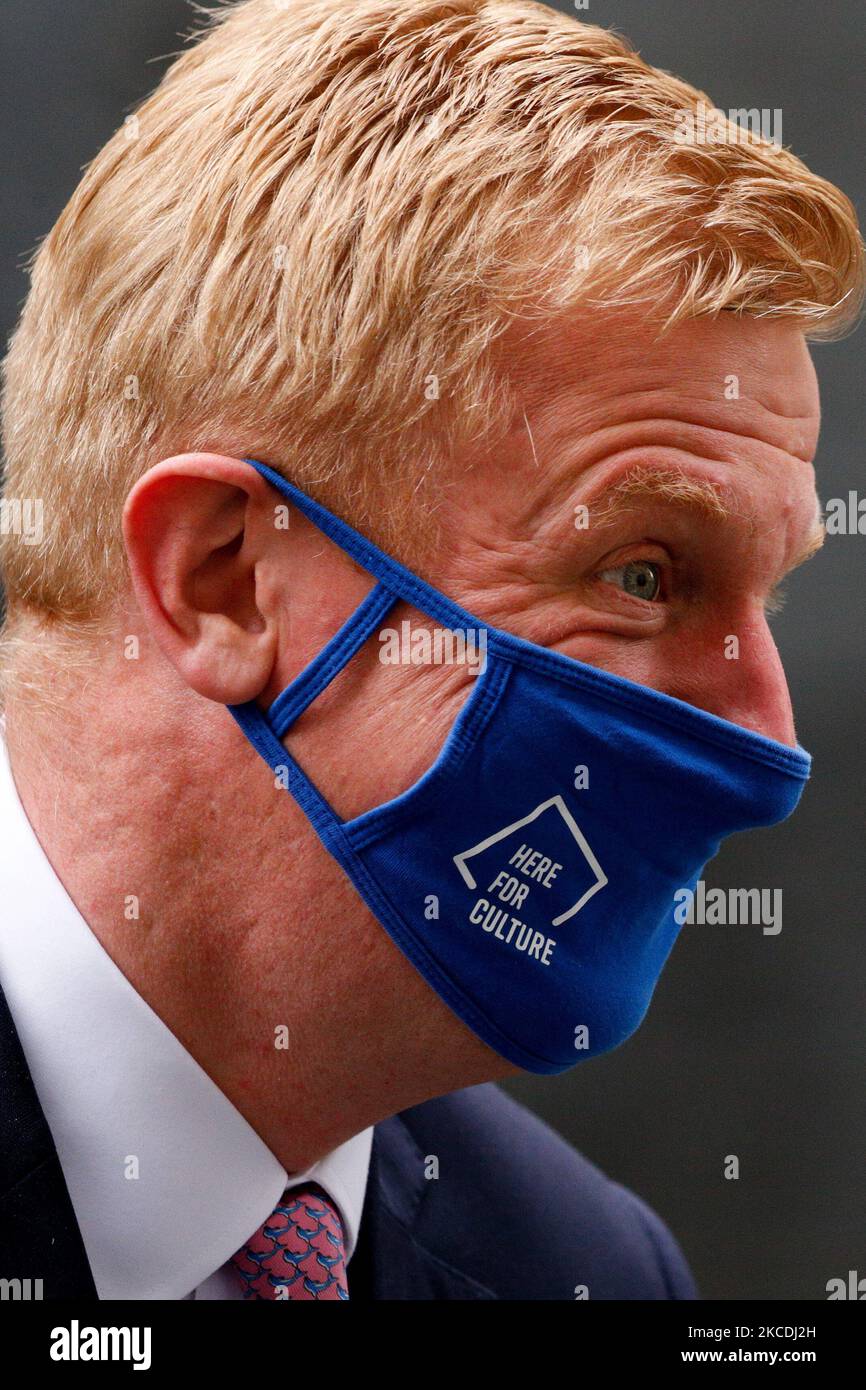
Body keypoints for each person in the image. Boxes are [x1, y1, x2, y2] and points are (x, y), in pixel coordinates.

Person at [0, 0, 860, 1301]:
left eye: (768, 598)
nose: (761, 737)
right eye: (643, 573)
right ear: (225, 576)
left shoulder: (586, 1269)